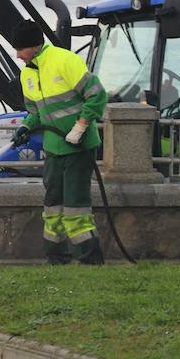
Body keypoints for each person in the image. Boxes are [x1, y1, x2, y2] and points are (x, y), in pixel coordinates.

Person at [9, 20, 108, 265]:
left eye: (20, 50)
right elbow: (34, 111)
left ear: (33, 46)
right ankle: (56, 259)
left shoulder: (65, 60)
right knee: (52, 206)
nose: (18, 55)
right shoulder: (27, 74)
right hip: (53, 148)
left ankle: (90, 261)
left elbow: (97, 95)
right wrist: (25, 127)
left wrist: (81, 126)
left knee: (75, 207)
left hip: (78, 148)